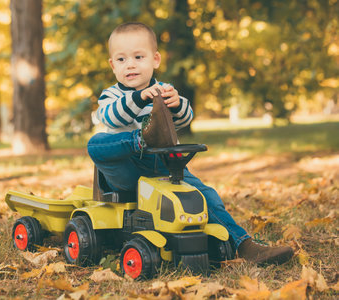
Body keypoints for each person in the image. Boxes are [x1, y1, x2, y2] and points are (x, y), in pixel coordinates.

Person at [87, 22, 294, 265]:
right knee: (95, 144)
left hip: (164, 165)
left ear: (155, 60)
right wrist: (139, 97)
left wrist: (176, 103)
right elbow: (112, 117)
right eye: (121, 60)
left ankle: (245, 246)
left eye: (138, 57)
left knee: (206, 195)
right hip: (126, 169)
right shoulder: (111, 95)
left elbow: (185, 118)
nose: (130, 64)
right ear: (113, 65)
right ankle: (143, 138)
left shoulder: (164, 90)